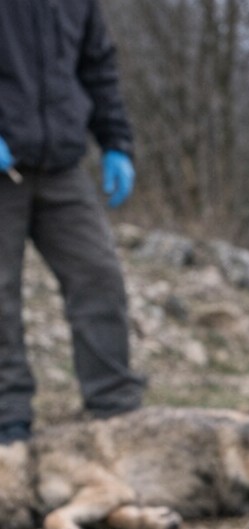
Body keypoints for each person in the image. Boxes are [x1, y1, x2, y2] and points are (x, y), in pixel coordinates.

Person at [0, 0, 145, 445]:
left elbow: (97, 65)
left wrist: (116, 142)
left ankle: (114, 411)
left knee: (98, 276)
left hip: (62, 165)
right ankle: (8, 420)